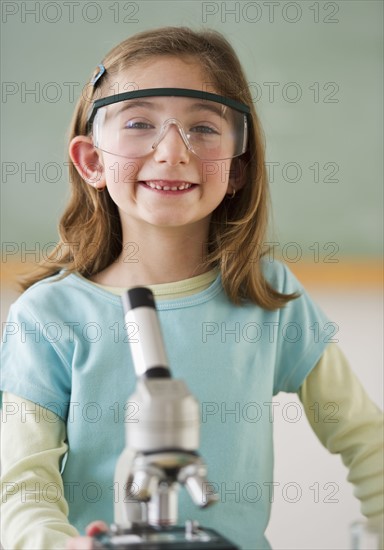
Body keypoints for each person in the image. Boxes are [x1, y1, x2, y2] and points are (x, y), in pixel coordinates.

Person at [0, 27, 382, 550]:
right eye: (139, 123)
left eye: (203, 128)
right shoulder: (48, 316)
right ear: (91, 160)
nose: (172, 151)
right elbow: (21, 486)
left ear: (237, 167)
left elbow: (368, 439)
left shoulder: (267, 295)